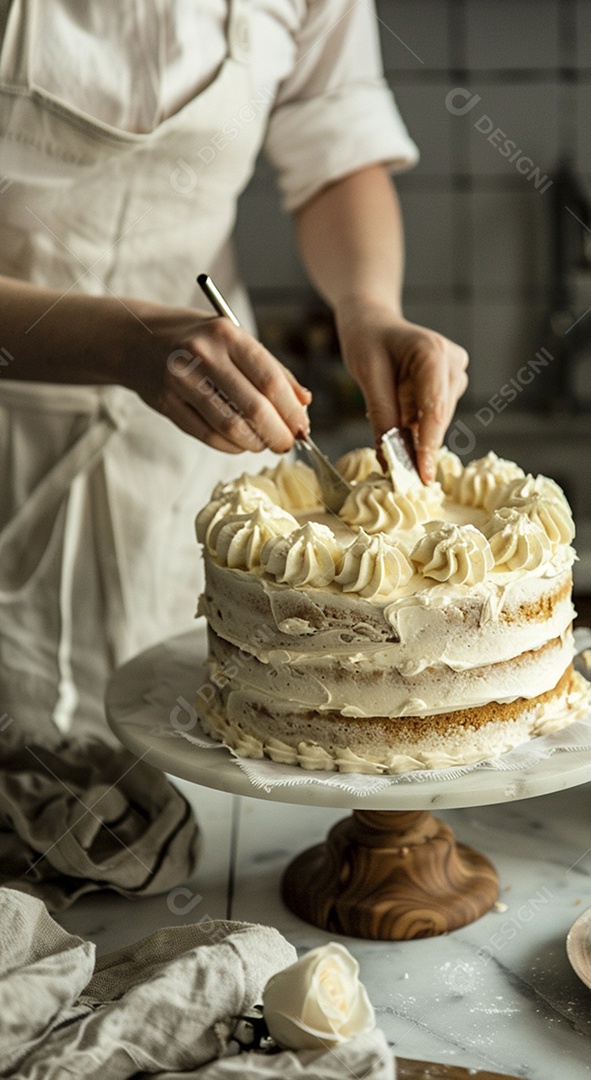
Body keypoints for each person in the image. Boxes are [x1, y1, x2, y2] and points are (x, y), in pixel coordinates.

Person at [0, 0, 468, 742]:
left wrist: (368, 306)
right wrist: (126, 343)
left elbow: (335, 155)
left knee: (217, 733)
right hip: (11, 440)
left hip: (203, 457)